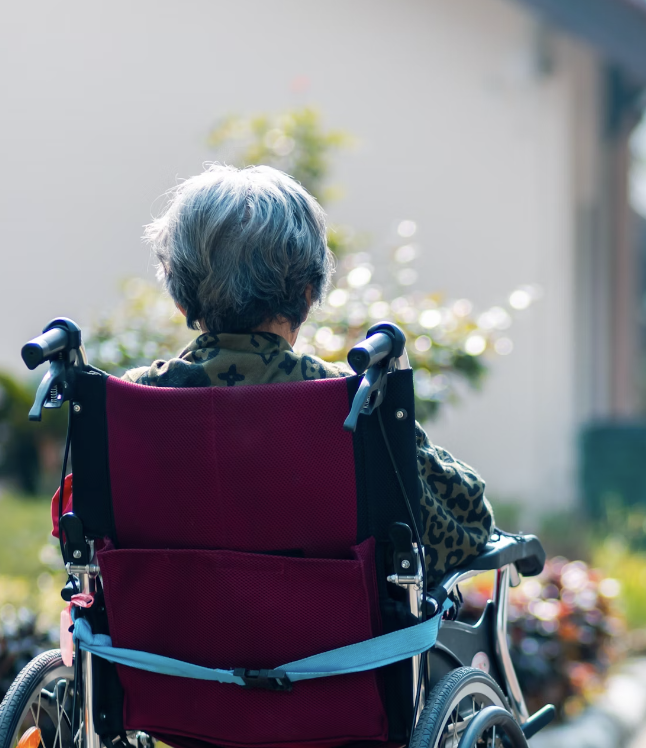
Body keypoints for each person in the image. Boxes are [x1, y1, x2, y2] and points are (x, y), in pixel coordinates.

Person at [125, 163, 493, 579]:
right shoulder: (352, 399)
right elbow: (466, 525)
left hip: (165, 639)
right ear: (307, 295)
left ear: (181, 300)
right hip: (333, 640)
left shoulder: (131, 403)